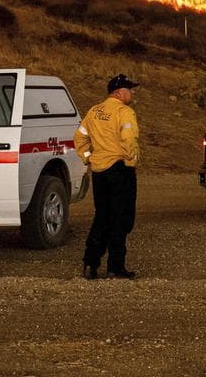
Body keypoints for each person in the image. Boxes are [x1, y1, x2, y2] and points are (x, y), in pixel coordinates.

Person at [75, 73, 141, 280]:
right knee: (121, 218)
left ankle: (90, 264)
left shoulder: (94, 111)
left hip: (99, 172)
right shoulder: (124, 112)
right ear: (119, 93)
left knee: (102, 216)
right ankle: (116, 267)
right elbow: (129, 139)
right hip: (120, 170)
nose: (132, 93)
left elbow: (80, 137)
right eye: (129, 90)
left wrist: (88, 158)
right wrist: (131, 161)